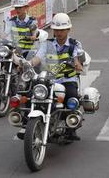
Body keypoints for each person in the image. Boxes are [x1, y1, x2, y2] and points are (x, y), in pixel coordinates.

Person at [28, 12, 83, 141]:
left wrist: (77, 64)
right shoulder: (47, 44)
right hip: (49, 79)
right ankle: (29, 123)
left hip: (67, 80)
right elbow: (38, 57)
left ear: (68, 29)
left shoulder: (75, 44)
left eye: (62, 30)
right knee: (32, 94)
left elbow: (77, 59)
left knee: (72, 98)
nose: (59, 33)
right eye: (56, 30)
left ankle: (71, 128)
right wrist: (28, 64)